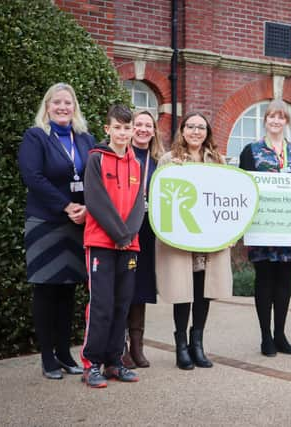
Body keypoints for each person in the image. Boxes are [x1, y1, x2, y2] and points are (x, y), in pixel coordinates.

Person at [18, 82, 95, 380]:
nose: (63, 107)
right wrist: (67, 206)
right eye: (57, 102)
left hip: (78, 224)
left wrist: (87, 208)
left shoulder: (86, 139)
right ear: (47, 106)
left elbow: (96, 177)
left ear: (74, 107)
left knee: (68, 291)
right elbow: (33, 176)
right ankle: (48, 357)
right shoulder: (35, 136)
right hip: (47, 222)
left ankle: (65, 353)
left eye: (68, 103)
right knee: (46, 290)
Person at [155, 112, 233, 370]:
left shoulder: (218, 160)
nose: (196, 132)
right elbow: (159, 196)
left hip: (208, 238)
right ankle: (181, 347)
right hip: (182, 237)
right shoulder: (169, 160)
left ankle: (197, 343)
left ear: (207, 132)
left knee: (203, 291)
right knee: (182, 292)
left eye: (201, 127)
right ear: (183, 130)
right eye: (191, 127)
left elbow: (227, 196)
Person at [80, 104, 145, 388]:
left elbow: (137, 207)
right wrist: (119, 235)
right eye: (117, 128)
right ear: (107, 129)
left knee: (121, 305)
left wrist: (128, 235)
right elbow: (95, 201)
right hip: (101, 243)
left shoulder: (136, 164)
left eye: (127, 128)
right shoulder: (96, 158)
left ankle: (114, 362)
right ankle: (92, 364)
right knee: (102, 305)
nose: (122, 133)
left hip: (129, 245)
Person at [239, 99, 291, 357]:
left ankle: (280, 335)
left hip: (290, 227)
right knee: (264, 281)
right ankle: (265, 337)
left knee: (284, 282)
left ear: (287, 122)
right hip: (262, 227)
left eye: (281, 117)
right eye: (271, 117)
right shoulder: (251, 150)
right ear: (265, 120)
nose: (276, 121)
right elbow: (243, 186)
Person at [121, 111, 164, 369]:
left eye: (148, 125)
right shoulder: (121, 155)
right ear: (130, 128)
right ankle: (121, 346)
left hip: (149, 230)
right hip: (125, 227)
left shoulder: (159, 161)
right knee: (124, 284)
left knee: (142, 286)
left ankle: (138, 347)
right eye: (139, 124)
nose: (143, 129)